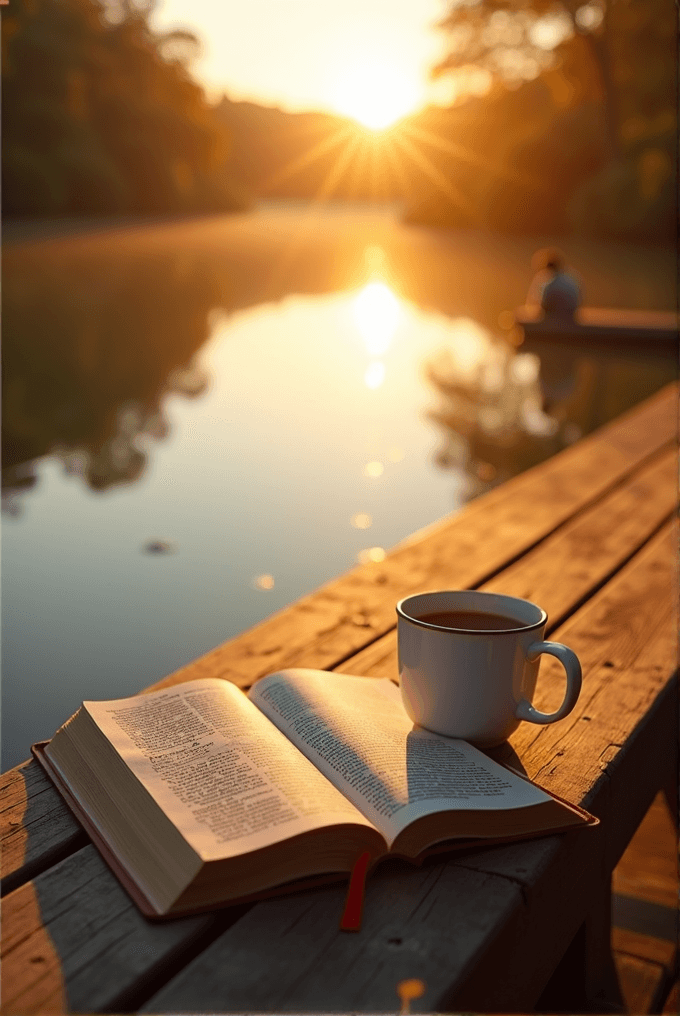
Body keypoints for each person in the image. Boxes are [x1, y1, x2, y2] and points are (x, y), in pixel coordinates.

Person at [526, 248, 581, 321]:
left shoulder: (547, 283)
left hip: (551, 321)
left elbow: (540, 304)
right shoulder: (571, 280)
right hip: (570, 319)